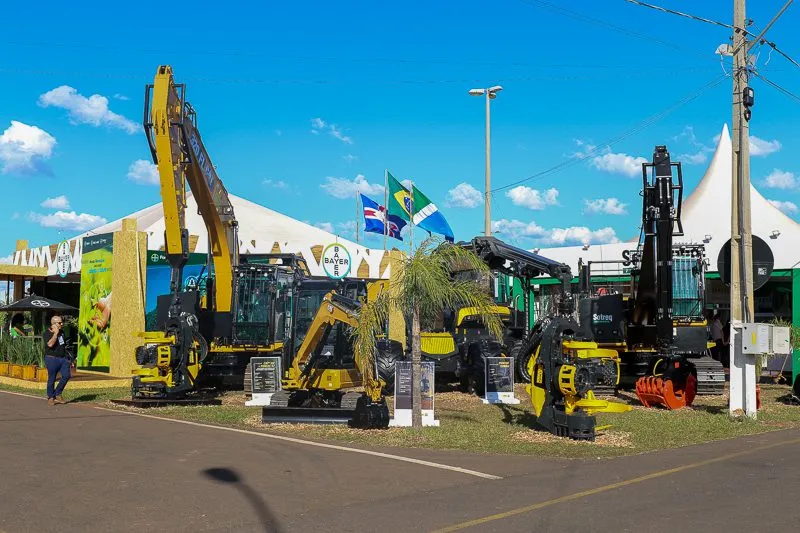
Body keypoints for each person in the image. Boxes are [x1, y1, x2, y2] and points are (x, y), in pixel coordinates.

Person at [43, 314, 70, 406]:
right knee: (52, 378)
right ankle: (51, 397)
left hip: (63, 359)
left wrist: (68, 359)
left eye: (62, 322)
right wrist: (55, 333)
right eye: (60, 323)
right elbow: (50, 345)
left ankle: (58, 393)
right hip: (51, 359)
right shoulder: (46, 333)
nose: (62, 324)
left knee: (66, 376)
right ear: (53, 324)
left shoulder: (62, 332)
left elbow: (63, 346)